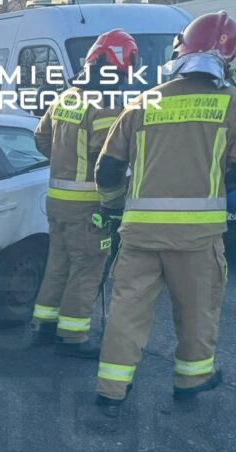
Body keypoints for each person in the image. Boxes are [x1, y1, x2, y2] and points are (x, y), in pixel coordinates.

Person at [93, 11, 236, 416]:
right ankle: (191, 380)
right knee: (197, 311)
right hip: (197, 239)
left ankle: (111, 388)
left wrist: (111, 209)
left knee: (127, 311)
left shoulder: (143, 102)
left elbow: (107, 167)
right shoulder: (231, 105)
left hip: (138, 234)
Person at [30, 29, 138, 357]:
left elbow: (40, 138)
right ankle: (73, 337)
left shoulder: (66, 97)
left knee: (58, 263)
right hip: (88, 205)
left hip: (57, 201)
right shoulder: (105, 104)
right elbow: (109, 159)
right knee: (88, 267)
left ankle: (44, 327)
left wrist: (63, 165)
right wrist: (116, 202)